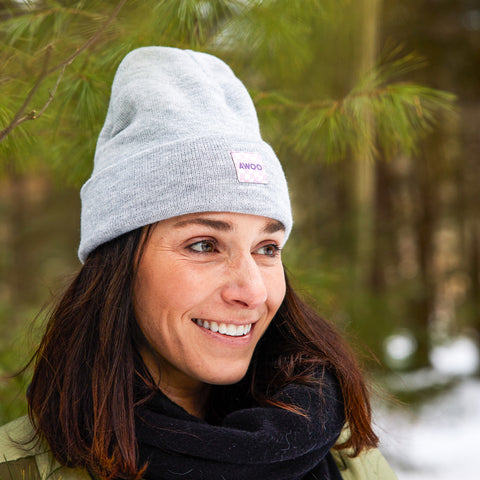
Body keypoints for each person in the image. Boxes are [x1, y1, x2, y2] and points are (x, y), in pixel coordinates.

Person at [0, 47, 397, 480]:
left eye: (267, 248)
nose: (253, 292)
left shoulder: (343, 451)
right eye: (205, 245)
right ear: (116, 267)